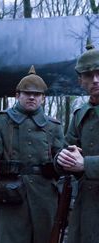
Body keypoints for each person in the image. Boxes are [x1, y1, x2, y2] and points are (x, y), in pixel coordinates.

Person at [0, 66, 64, 243]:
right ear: (17, 95)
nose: (32, 97)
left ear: (43, 99)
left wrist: (61, 163)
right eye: (26, 93)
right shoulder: (1, 121)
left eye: (37, 94)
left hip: (45, 197)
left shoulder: (53, 126)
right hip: (11, 194)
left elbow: (61, 158)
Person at [55, 42, 99, 243]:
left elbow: (82, 163)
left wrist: (85, 164)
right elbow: (67, 147)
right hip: (86, 207)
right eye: (89, 76)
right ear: (80, 80)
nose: (96, 80)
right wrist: (62, 158)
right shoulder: (80, 114)